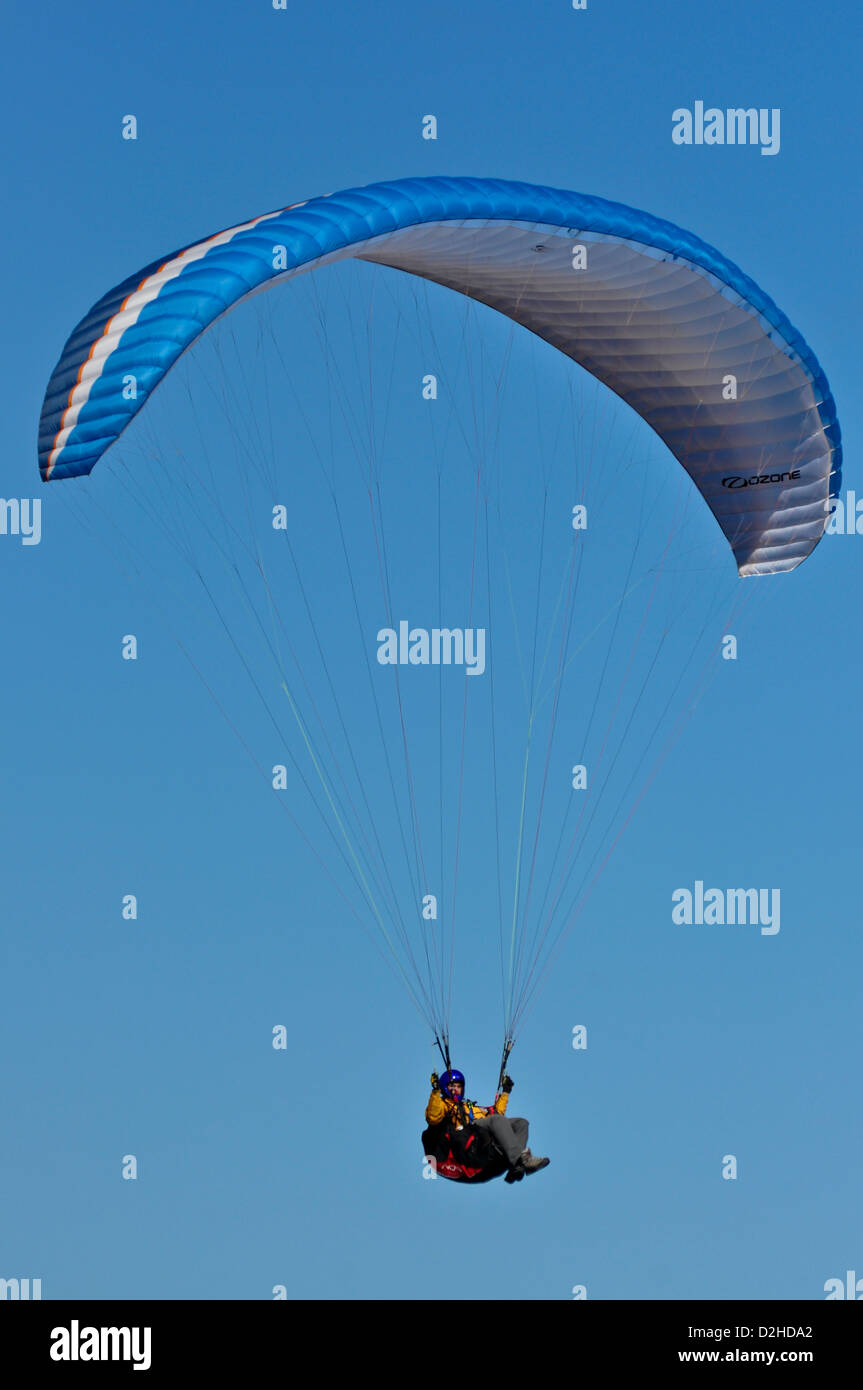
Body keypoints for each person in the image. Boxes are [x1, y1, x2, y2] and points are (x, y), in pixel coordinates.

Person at [425, 1068, 550, 1183]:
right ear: (445, 1087)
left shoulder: (467, 1106)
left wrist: (505, 1092)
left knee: (521, 1123)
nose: (456, 1089)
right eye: (452, 1086)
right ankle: (521, 1161)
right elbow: (433, 1117)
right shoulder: (443, 1104)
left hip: (479, 1130)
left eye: (459, 1086)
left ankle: (516, 1167)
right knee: (496, 1120)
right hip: (467, 1135)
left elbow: (497, 1116)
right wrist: (436, 1092)